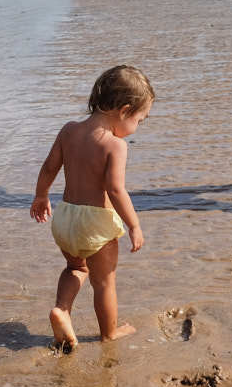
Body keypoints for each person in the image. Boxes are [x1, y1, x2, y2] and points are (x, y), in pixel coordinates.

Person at [30, 66, 154, 350]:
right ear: (124, 111)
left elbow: (50, 166)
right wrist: (133, 225)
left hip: (65, 218)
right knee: (104, 282)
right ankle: (109, 333)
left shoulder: (69, 130)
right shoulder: (115, 146)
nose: (137, 127)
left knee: (75, 267)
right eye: (139, 119)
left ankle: (62, 309)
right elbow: (115, 189)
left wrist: (41, 196)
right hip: (96, 224)